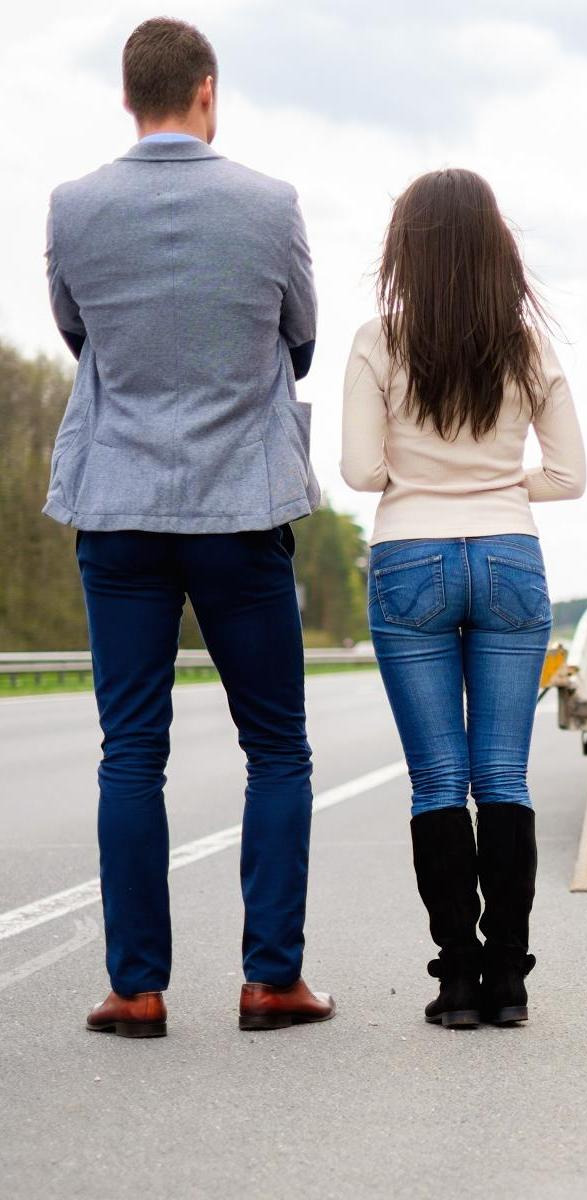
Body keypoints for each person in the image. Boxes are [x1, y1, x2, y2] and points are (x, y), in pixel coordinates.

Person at [44, 17, 334, 1037]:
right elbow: (299, 336)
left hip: (117, 508)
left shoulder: (73, 208)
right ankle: (270, 980)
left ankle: (135, 988)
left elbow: (77, 334)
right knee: (278, 749)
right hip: (238, 508)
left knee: (131, 750)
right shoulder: (269, 204)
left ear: (129, 97)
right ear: (206, 91)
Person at [341, 168, 586, 1029]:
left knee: (437, 780)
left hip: (410, 556)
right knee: (504, 776)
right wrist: (496, 485)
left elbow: (362, 472)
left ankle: (456, 980)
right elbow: (569, 476)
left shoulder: (379, 341)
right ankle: (510, 983)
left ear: (404, 251)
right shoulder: (526, 346)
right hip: (510, 556)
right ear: (497, 251)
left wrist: (426, 480)